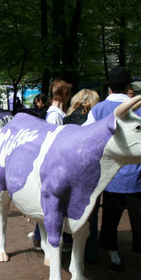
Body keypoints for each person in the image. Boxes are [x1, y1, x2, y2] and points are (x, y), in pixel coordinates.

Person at [84, 65, 141, 273]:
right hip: (136, 175)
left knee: (109, 220)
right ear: (128, 87)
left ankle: (115, 259)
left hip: (110, 177)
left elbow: (87, 140)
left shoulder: (97, 110)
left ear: (109, 88)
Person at [28, 79, 73, 251]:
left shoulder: (55, 113)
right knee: (52, 205)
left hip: (55, 165)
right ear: (64, 95)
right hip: (55, 166)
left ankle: (39, 236)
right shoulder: (55, 115)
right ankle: (40, 237)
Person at [63, 87, 101, 263]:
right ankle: (90, 252)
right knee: (90, 213)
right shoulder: (96, 122)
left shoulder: (66, 120)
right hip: (91, 172)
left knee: (68, 208)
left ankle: (69, 243)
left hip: (69, 171)